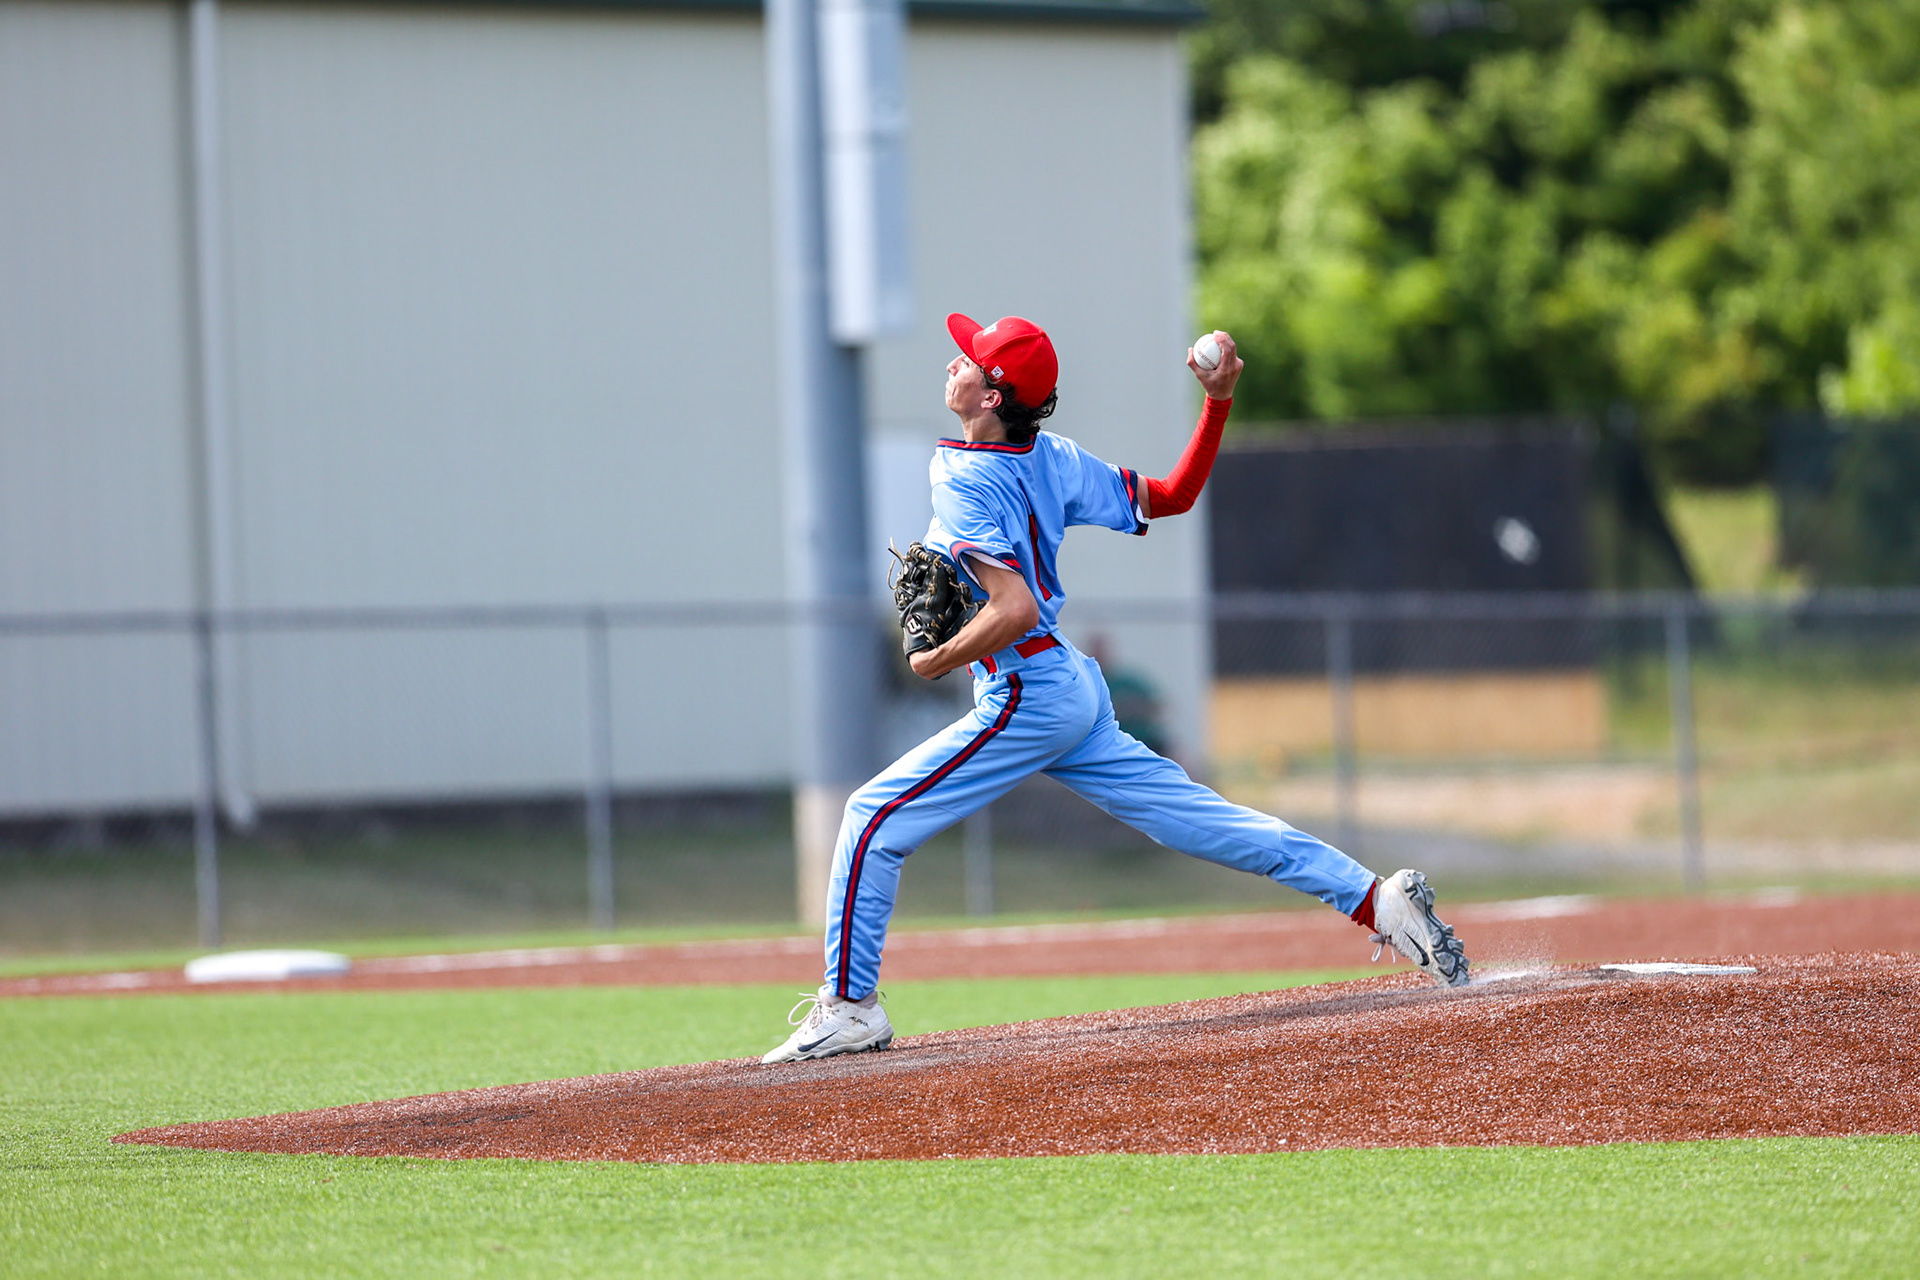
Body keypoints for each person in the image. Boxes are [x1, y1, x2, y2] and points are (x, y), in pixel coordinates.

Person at [762, 315, 1468, 1064]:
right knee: (1201, 821)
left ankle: (849, 1009)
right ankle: (1381, 904)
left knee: (871, 816)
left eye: (968, 358)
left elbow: (1014, 608)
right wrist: (1217, 403)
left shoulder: (962, 476)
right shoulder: (1051, 455)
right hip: (1071, 689)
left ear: (994, 394)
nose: (952, 362)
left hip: (1028, 691)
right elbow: (1172, 495)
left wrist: (936, 663)